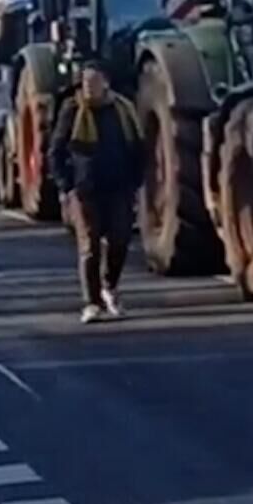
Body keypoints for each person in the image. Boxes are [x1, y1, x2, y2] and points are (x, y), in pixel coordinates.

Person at [48, 60, 145, 323]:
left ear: (106, 83)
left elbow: (137, 147)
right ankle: (91, 303)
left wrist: (136, 181)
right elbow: (56, 150)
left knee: (120, 240)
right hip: (85, 188)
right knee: (89, 246)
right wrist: (66, 186)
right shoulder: (72, 110)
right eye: (85, 82)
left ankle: (109, 286)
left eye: (93, 82)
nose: (88, 87)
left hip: (119, 186)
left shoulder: (123, 110)